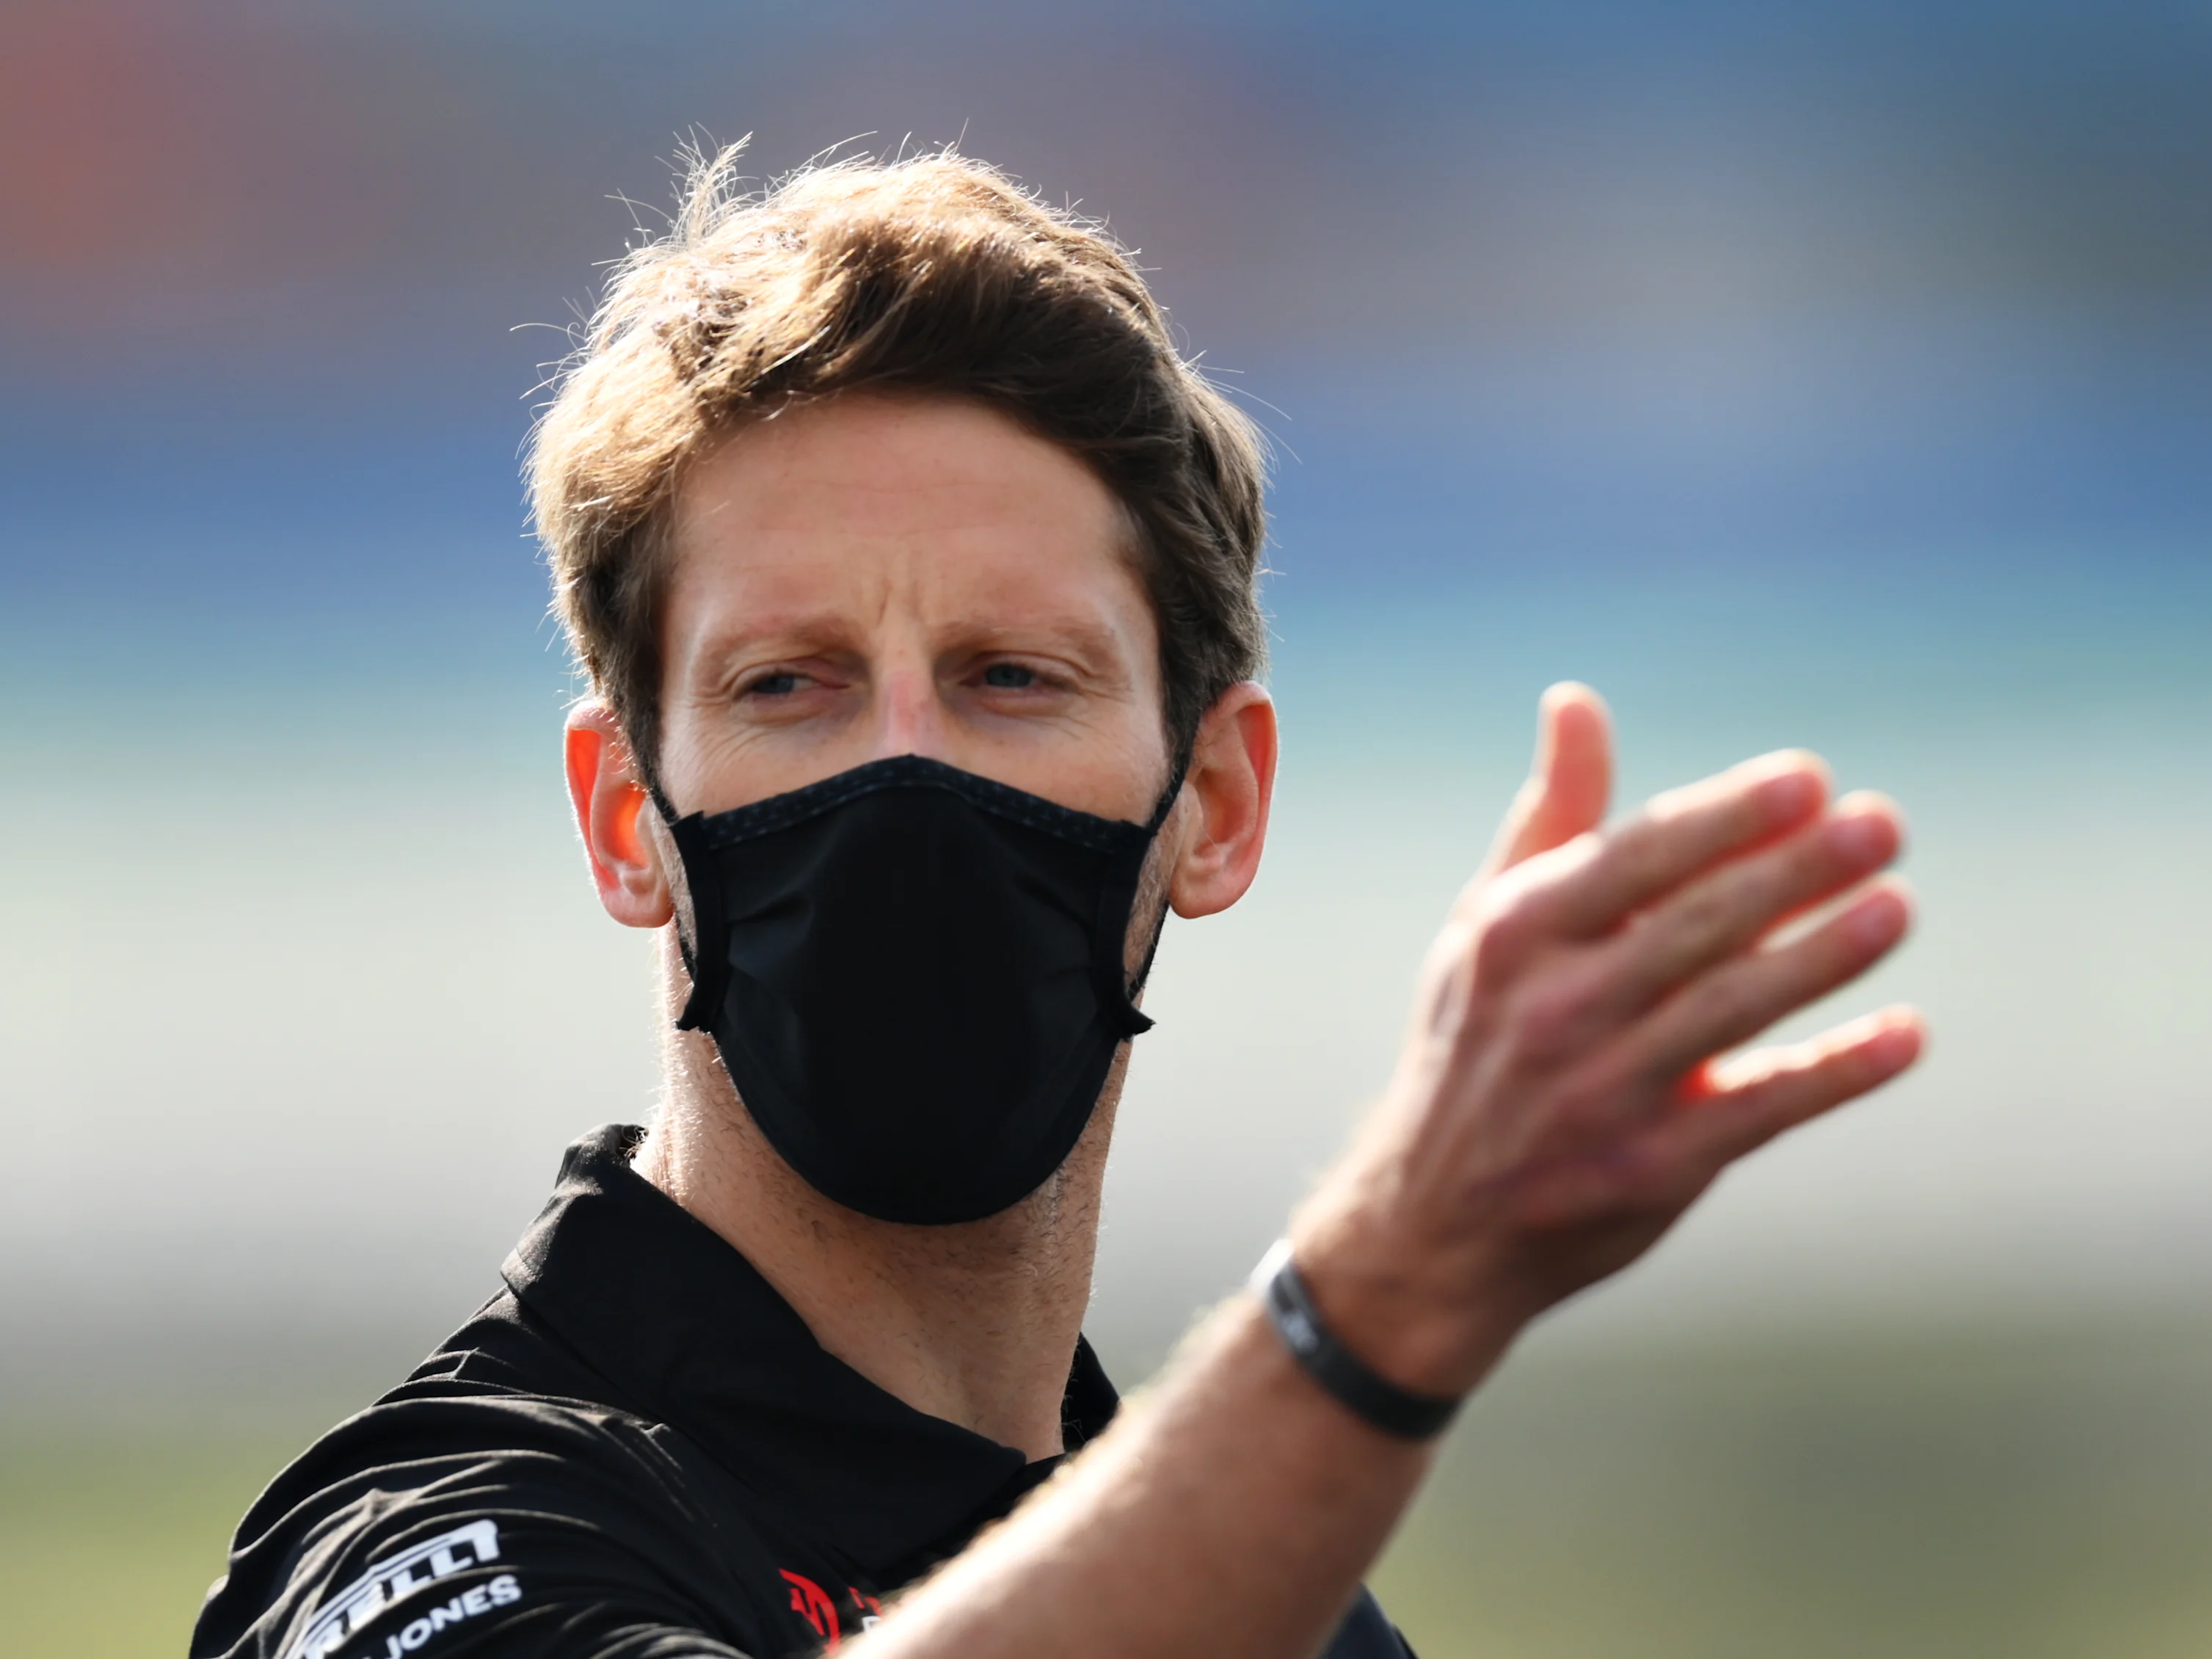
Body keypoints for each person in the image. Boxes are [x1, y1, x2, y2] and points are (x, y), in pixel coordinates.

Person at [192, 148, 1923, 1659]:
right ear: (624, 816)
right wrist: (1380, 1291)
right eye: (789, 684)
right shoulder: (438, 1535)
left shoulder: (1275, 1607)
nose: (904, 771)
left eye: (1010, 675)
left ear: (1215, 806)